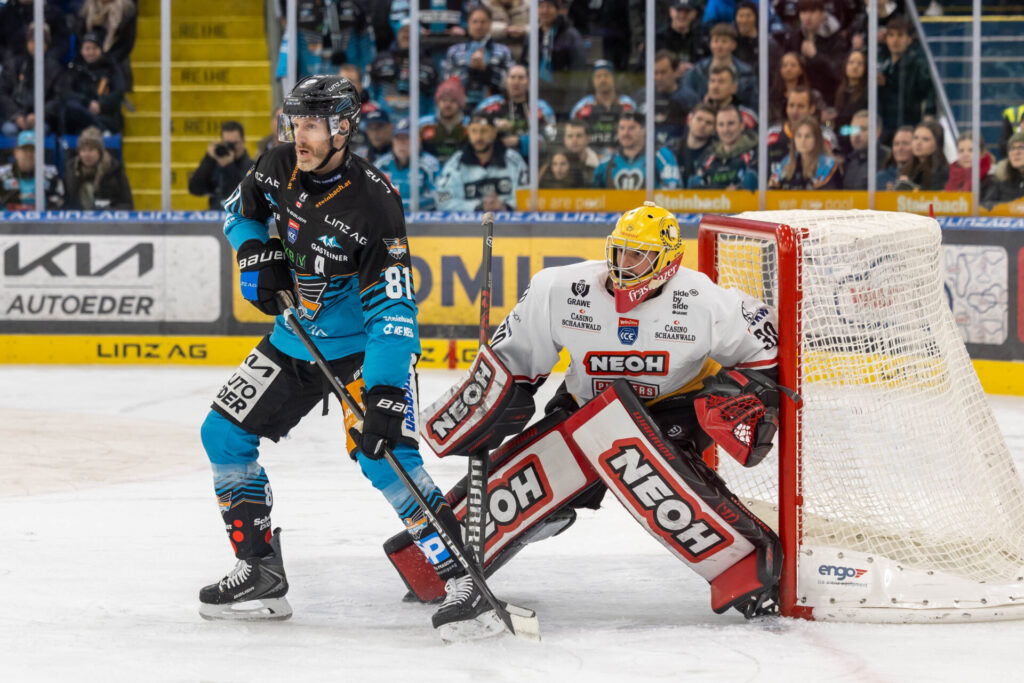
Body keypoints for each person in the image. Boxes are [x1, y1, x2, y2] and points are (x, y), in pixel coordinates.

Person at [198, 75, 495, 638]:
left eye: (311, 124)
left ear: (342, 128)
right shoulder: (275, 165)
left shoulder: (375, 201)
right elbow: (238, 211)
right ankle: (260, 568)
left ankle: (461, 577)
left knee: (384, 459)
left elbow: (393, 310)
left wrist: (384, 392)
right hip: (294, 340)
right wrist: (255, 254)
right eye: (294, 123)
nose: (298, 135)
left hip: (364, 352)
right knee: (223, 435)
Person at [399, 201, 784, 620]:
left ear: (668, 263)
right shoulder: (560, 290)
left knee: (655, 473)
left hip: (672, 412)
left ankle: (747, 571)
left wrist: (742, 392)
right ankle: (435, 564)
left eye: (639, 255)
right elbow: (514, 359)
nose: (625, 263)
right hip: (586, 406)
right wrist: (488, 406)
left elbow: (764, 348)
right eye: (621, 251)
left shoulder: (704, 301)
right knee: (533, 476)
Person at [435, 112, 528, 211]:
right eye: (474, 131)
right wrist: (476, 207)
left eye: (484, 131)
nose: (478, 137)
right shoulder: (455, 163)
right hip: (468, 225)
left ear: (494, 133)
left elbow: (527, 193)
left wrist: (505, 207)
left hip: (508, 223)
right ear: (468, 133)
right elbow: (441, 199)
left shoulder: (514, 160)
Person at [475, 64, 557, 161]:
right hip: (495, 162)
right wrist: (494, 126)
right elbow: (473, 131)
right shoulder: (489, 105)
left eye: (521, 78)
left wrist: (519, 142)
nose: (516, 82)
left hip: (532, 165)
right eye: (512, 77)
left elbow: (551, 139)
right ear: (506, 82)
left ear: (529, 83)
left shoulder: (541, 108)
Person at [440, 4, 514, 113]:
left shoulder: (503, 51)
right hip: (460, 107)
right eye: (475, 22)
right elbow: (446, 82)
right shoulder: (454, 51)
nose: (479, 26)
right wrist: (469, 70)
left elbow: (510, 82)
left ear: (490, 24)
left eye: (483, 22)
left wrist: (486, 70)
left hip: (494, 106)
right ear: (468, 23)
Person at [776, 0, 847, 108]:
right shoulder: (795, 37)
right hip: (798, 101)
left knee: (828, 124)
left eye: (812, 11)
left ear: (822, 13)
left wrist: (816, 56)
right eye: (803, 12)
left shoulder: (836, 38)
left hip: (827, 103)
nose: (807, 17)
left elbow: (838, 72)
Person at [878, 16, 935, 145]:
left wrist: (928, 116)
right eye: (891, 35)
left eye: (900, 35)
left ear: (909, 39)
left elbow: (928, 92)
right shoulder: (884, 65)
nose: (895, 40)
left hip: (908, 125)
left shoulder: (918, 64)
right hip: (886, 127)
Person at [367, 18, 439, 121]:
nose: (407, 35)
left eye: (411, 31)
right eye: (403, 31)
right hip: (385, 123)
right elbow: (371, 90)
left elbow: (432, 98)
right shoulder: (381, 59)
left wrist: (424, 122)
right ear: (397, 33)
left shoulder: (429, 65)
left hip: (415, 125)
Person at [0, 23, 62, 137]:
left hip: (43, 119)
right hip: (15, 118)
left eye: (40, 41)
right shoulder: (14, 64)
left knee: (39, 131)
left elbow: (58, 98)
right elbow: (3, 93)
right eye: (32, 41)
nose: (36, 45)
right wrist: (17, 116)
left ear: (46, 44)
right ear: (27, 43)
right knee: (10, 131)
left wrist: (38, 115)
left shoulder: (54, 68)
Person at [593, 111, 682, 190]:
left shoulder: (661, 155)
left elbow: (672, 189)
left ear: (644, 130)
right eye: (622, 128)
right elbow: (592, 194)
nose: (625, 133)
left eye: (631, 128)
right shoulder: (608, 161)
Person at [59, 31, 125, 135]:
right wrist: (88, 103)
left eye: (95, 48)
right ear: (81, 51)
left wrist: (101, 105)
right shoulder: (75, 69)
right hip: (81, 116)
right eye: (87, 48)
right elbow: (66, 92)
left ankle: (103, 129)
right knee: (68, 107)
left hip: (105, 116)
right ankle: (102, 130)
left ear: (101, 50)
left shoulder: (111, 68)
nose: (91, 52)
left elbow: (119, 91)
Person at [680, 22, 756, 110]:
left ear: (734, 45)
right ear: (710, 44)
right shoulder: (695, 72)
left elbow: (753, 104)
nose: (719, 46)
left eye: (724, 41)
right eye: (715, 41)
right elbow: (686, 101)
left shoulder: (747, 73)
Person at [569, 60, 638, 156]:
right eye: (598, 76)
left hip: (624, 159)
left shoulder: (628, 104)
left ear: (613, 78)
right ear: (593, 80)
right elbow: (571, 138)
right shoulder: (581, 107)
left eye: (606, 75)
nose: (603, 80)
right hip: (591, 160)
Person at [766, 86, 837, 177]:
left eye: (800, 106)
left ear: (812, 109)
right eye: (791, 105)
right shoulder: (772, 134)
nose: (795, 111)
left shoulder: (825, 136)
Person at [375, 118, 441, 210]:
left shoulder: (430, 165)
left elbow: (439, 197)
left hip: (422, 221)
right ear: (393, 141)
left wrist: (404, 205)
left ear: (418, 141)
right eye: (398, 138)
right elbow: (371, 195)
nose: (402, 143)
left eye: (407, 138)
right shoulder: (381, 165)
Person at [687, 104, 758, 190]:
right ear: (716, 128)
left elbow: (750, 186)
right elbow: (695, 188)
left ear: (742, 126)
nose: (725, 130)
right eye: (721, 124)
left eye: (731, 124)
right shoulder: (707, 155)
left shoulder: (755, 154)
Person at [535, 0, 587, 117]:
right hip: (539, 96)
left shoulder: (571, 35)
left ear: (557, 10)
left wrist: (571, 103)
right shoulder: (533, 35)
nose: (544, 11)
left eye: (549, 7)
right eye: (541, 7)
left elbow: (578, 72)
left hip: (563, 96)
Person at [63, 126, 133, 209]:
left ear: (100, 151)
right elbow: (64, 202)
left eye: (91, 149)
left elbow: (127, 204)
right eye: (83, 150)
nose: (87, 154)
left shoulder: (115, 169)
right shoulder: (71, 169)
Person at [188, 120, 252, 210]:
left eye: (234, 144)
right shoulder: (216, 165)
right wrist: (209, 159)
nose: (231, 148)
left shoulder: (253, 167)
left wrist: (229, 167)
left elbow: (243, 195)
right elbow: (195, 188)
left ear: (243, 142)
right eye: (227, 144)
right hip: (215, 219)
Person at [633, 50, 690, 151]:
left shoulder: (688, 98)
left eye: (663, 72)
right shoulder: (642, 96)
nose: (658, 77)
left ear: (675, 71)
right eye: (655, 73)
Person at [769, 116, 841, 190]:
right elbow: (771, 191)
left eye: (807, 136)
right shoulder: (787, 162)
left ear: (817, 139)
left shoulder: (828, 165)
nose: (803, 141)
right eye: (799, 136)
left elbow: (831, 197)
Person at [0, 129, 64, 210]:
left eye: (33, 150)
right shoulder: (2, 175)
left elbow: (59, 203)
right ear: (16, 152)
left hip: (43, 222)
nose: (29, 154)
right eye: (25, 149)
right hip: (7, 222)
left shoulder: (50, 174)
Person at [419, 77, 470, 166]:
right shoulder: (423, 125)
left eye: (453, 100)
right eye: (443, 100)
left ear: (460, 103)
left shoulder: (469, 125)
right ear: (437, 102)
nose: (447, 104)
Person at [841, 110, 890, 190]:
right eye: (853, 129)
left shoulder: (888, 159)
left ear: (877, 133)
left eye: (863, 129)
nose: (856, 134)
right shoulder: (848, 161)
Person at [655, 0, 708, 74]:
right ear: (671, 11)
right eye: (679, 10)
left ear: (694, 14)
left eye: (687, 11)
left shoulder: (701, 38)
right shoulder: (658, 38)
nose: (682, 15)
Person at [893, 120, 947, 191]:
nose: (918, 143)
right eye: (915, 138)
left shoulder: (943, 172)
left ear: (936, 145)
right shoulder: (905, 169)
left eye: (925, 139)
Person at [676, 103, 717, 186]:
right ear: (689, 120)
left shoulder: (717, 155)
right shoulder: (672, 148)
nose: (702, 125)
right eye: (699, 119)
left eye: (708, 123)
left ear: (714, 130)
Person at [982, 131, 1024, 209]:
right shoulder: (999, 180)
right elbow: (986, 208)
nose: (1016, 152)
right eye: (1012, 148)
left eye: (1021, 147)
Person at [833, 49, 867, 138]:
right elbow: (833, 122)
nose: (855, 66)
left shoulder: (866, 94)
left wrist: (842, 131)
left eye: (860, 64)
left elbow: (863, 128)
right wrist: (828, 123)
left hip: (857, 137)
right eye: (851, 62)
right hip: (839, 137)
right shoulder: (840, 91)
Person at [876, 124, 913, 190]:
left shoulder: (922, 176)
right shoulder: (880, 178)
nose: (900, 148)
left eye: (905, 143)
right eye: (896, 144)